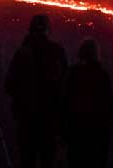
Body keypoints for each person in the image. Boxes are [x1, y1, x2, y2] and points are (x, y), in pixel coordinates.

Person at [5, 14, 67, 168]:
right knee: (48, 160)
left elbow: (9, 85)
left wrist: (21, 100)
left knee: (27, 160)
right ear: (48, 30)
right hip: (50, 119)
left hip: (27, 119)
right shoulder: (57, 51)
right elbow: (66, 84)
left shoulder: (23, 53)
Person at [62, 38, 113, 168]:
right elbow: (109, 107)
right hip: (97, 135)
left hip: (76, 133)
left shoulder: (73, 74)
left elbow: (65, 102)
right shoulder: (102, 76)